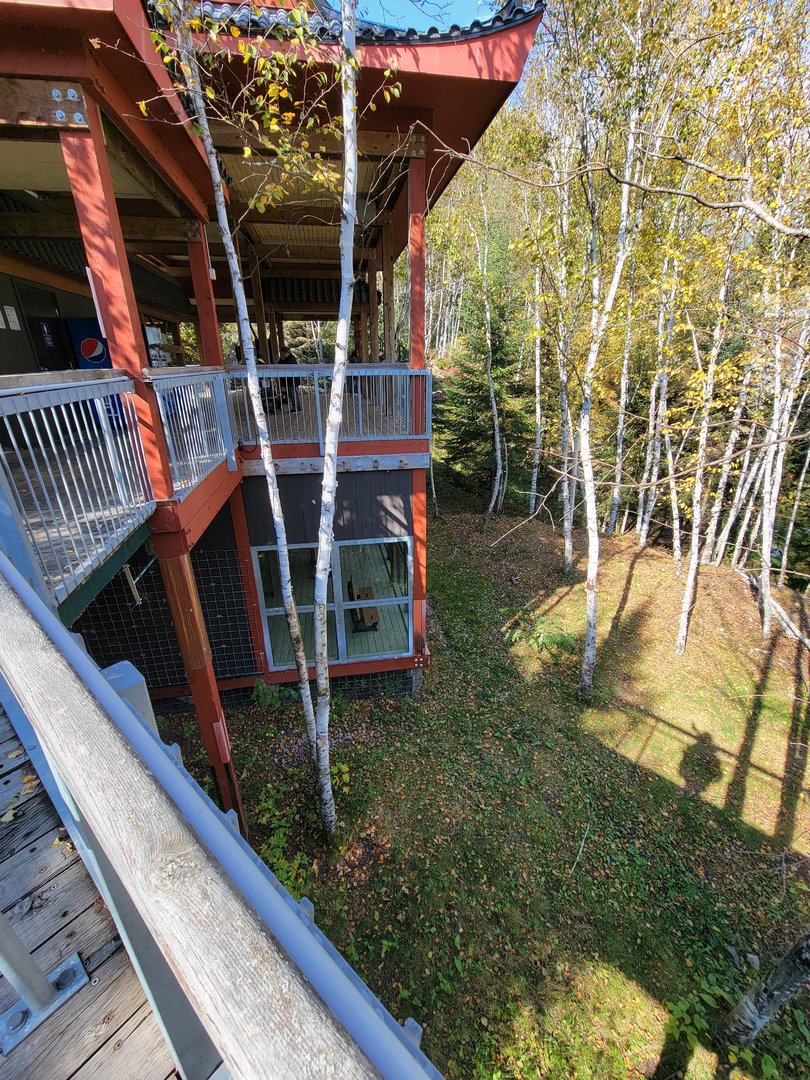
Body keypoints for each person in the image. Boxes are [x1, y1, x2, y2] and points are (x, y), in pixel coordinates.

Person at [278, 345, 301, 411]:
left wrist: (280, 362)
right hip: (293, 380)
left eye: (281, 352)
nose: (281, 354)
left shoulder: (290, 359)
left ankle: (295, 408)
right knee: (294, 394)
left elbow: (285, 365)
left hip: (292, 380)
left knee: (293, 394)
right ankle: (297, 407)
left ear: (284, 352)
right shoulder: (290, 358)